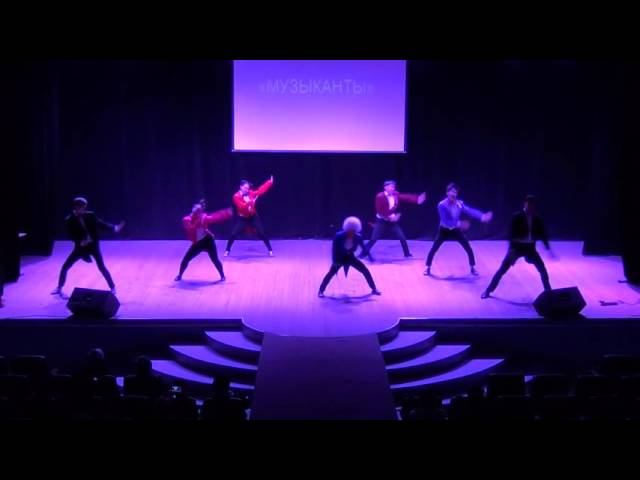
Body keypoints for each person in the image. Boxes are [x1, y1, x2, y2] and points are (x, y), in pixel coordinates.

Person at [481, 195, 553, 298]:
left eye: (532, 205)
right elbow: (510, 234)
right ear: (525, 204)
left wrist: (548, 249)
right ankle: (488, 290)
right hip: (516, 248)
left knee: (542, 269)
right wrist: (511, 250)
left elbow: (543, 234)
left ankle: (549, 293)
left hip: (530, 249)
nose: (530, 207)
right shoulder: (517, 217)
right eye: (528, 204)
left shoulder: (537, 219)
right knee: (502, 270)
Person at [52, 197, 125, 298]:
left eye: (84, 207)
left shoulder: (90, 215)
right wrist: (80, 242)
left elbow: (101, 224)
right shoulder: (69, 220)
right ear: (76, 207)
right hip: (80, 247)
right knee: (65, 267)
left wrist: (114, 228)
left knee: (101, 266)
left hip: (93, 246)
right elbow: (71, 234)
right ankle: (59, 288)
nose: (83, 209)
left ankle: (113, 287)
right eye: (81, 207)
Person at [425, 183, 492, 276]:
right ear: (447, 193)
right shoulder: (441, 205)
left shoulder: (459, 204)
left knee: (468, 247)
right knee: (434, 248)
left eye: (455, 192)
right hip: (444, 230)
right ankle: (428, 267)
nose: (454, 194)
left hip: (456, 230)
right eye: (452, 192)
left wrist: (482, 216)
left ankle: (472, 267)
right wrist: (460, 224)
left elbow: (470, 210)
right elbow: (446, 221)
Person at [359, 180, 427, 260]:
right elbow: (380, 211)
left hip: (392, 222)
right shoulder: (379, 196)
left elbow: (405, 197)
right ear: (385, 187)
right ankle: (362, 254)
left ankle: (407, 254)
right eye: (391, 187)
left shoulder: (395, 194)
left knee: (402, 237)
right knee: (374, 238)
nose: (393, 188)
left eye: (394, 187)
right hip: (381, 221)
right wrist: (390, 218)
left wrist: (417, 199)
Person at [319, 216, 381, 298]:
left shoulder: (358, 237)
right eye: (350, 231)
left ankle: (374, 289)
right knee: (331, 273)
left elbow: (364, 248)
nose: (352, 233)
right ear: (347, 229)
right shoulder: (338, 236)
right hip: (339, 258)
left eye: (353, 231)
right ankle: (321, 290)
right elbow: (334, 249)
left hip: (350, 257)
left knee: (365, 271)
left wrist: (370, 257)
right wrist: (334, 261)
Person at [175, 200, 232, 282]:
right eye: (195, 208)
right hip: (197, 243)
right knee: (186, 259)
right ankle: (179, 275)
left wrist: (226, 213)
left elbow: (215, 217)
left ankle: (222, 276)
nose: (196, 210)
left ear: (200, 212)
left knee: (215, 260)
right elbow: (191, 229)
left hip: (208, 241)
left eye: (198, 210)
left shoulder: (203, 218)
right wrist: (199, 222)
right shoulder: (186, 219)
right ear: (192, 209)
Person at [224, 176, 274, 256]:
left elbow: (260, 191)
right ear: (241, 187)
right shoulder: (236, 196)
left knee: (262, 233)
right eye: (245, 188)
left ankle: (270, 250)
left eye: (248, 188)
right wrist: (250, 202)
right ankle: (227, 250)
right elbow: (241, 207)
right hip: (243, 219)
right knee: (233, 234)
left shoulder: (251, 193)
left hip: (253, 217)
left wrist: (269, 182)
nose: (247, 189)